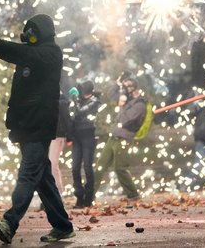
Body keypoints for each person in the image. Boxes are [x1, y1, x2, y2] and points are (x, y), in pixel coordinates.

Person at [0, 14, 75, 244]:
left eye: (32, 30)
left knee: (28, 173)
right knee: (42, 179)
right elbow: (15, 53)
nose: (28, 34)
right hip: (26, 125)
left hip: (40, 126)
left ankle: (10, 222)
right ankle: (62, 226)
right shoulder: (30, 55)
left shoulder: (51, 53)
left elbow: (23, 52)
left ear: (42, 32)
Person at [93, 75, 146, 202]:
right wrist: (118, 83)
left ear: (134, 88)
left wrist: (122, 105)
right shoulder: (126, 100)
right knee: (100, 166)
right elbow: (111, 94)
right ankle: (89, 194)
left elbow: (126, 120)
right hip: (114, 137)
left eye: (127, 87)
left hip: (124, 138)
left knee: (120, 168)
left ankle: (133, 194)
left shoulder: (140, 104)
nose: (124, 90)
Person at [69, 80, 100, 208]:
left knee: (87, 166)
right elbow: (72, 114)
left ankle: (88, 197)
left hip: (88, 137)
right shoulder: (78, 100)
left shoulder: (95, 101)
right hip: (77, 137)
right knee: (75, 167)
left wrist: (75, 99)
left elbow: (81, 111)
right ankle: (79, 196)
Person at [48, 88, 73, 197]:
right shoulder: (49, 100)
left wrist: (70, 137)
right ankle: (51, 193)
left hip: (58, 135)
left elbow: (67, 119)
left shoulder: (61, 103)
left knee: (52, 164)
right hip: (47, 135)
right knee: (48, 164)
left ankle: (57, 192)